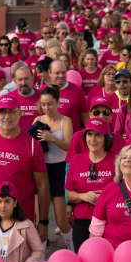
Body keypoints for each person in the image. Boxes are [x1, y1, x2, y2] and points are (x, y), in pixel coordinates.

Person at [65, 118, 118, 262]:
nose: (92, 139)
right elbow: (69, 193)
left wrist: (105, 199)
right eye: (89, 135)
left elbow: (124, 190)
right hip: (83, 222)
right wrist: (84, 196)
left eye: (97, 135)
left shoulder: (116, 160)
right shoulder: (77, 160)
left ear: (106, 138)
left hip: (110, 224)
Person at [0, 95, 50, 241]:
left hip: (20, 220)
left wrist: (43, 222)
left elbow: (42, 184)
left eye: (12, 112)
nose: (7, 116)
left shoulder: (33, 145)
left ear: (20, 113)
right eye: (2, 112)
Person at [32, 85, 74, 250]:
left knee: (62, 221)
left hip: (59, 172)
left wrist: (52, 138)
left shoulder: (66, 121)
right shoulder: (38, 120)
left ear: (57, 102)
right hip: (41, 173)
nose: (46, 108)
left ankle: (73, 250)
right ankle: (40, 257)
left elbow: (70, 148)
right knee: (39, 221)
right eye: (43, 104)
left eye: (50, 104)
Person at [48, 60, 89, 132]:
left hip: (72, 138)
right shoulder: (43, 91)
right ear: (49, 73)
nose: (61, 76)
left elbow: (85, 116)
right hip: (49, 137)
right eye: (57, 73)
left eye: (63, 72)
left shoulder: (77, 91)